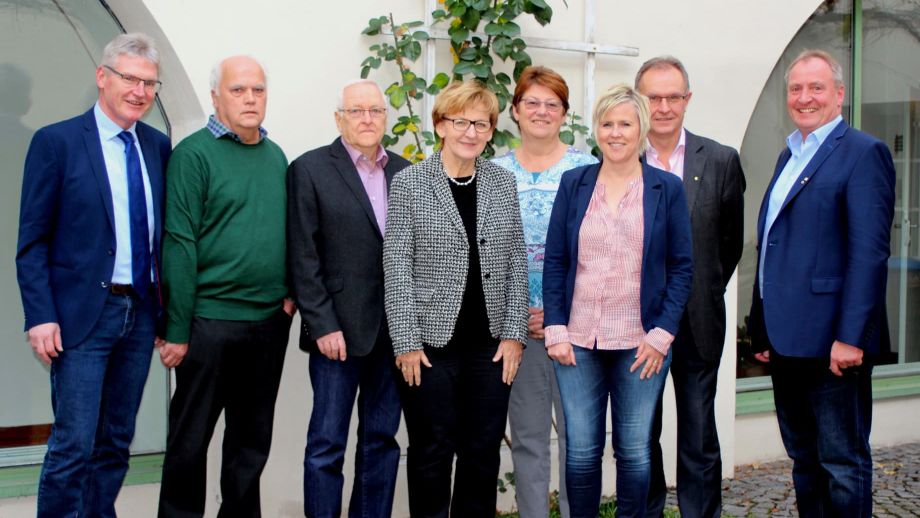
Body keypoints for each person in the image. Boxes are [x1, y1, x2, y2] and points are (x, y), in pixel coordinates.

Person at [15, 32, 170, 517]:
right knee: (73, 445)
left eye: (149, 83)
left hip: (140, 314)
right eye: (129, 78)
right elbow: (32, 242)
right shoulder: (56, 142)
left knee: (114, 443)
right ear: (102, 77)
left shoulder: (158, 147)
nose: (139, 91)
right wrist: (40, 316)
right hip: (83, 316)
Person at [749, 49, 895, 518]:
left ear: (839, 94)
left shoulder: (863, 153)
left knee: (843, 463)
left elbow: (869, 254)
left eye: (816, 88)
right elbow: (773, 244)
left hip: (835, 346)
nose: (805, 97)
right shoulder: (789, 153)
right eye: (796, 88)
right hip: (788, 343)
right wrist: (763, 331)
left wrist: (851, 337)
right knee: (805, 461)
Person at [542, 84, 693, 518]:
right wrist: (555, 330)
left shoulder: (667, 188)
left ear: (641, 129)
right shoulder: (575, 183)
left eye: (625, 123)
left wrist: (662, 335)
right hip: (577, 343)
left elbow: (682, 267)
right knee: (582, 453)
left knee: (635, 451)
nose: (615, 132)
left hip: (641, 343)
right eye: (607, 123)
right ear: (596, 130)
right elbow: (556, 260)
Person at [382, 79, 529, 518]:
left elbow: (516, 261)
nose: (471, 132)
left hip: (491, 348)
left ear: (491, 130)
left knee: (482, 454)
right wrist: (406, 341)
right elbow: (396, 267)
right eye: (460, 121)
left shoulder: (502, 182)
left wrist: (515, 334)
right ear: (440, 126)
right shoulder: (410, 183)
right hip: (430, 348)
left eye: (481, 123)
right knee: (431, 452)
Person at [157, 55, 294, 517]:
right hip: (209, 324)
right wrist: (177, 328)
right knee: (189, 442)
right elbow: (178, 243)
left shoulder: (276, 156)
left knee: (250, 445)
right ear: (216, 96)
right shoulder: (193, 155)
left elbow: (289, 231)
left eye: (257, 89)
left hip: (268, 324)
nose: (250, 98)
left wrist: (290, 294)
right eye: (238, 90)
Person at [287, 79, 410, 518]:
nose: (367, 119)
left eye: (375, 111)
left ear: (385, 117)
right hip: (336, 333)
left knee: (381, 441)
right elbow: (303, 254)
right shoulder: (310, 169)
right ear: (339, 118)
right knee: (326, 444)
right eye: (356, 111)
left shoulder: (405, 171)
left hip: (394, 333)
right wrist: (322, 324)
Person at [634, 56, 745, 518]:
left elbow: (729, 245)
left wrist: (700, 287)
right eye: (652, 97)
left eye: (672, 96)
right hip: (635, 324)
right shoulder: (618, 155)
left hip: (698, 319)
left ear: (687, 100)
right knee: (640, 434)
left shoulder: (720, 160)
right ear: (638, 99)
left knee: (699, 434)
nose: (662, 107)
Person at [492, 65, 597, 518]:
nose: (541, 111)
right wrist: (517, 317)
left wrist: (558, 311)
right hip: (516, 331)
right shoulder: (493, 173)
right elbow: (487, 256)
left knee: (580, 440)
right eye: (531, 102)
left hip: (575, 327)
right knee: (529, 439)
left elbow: (598, 251)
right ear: (515, 111)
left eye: (551, 103)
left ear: (564, 113)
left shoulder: (587, 170)